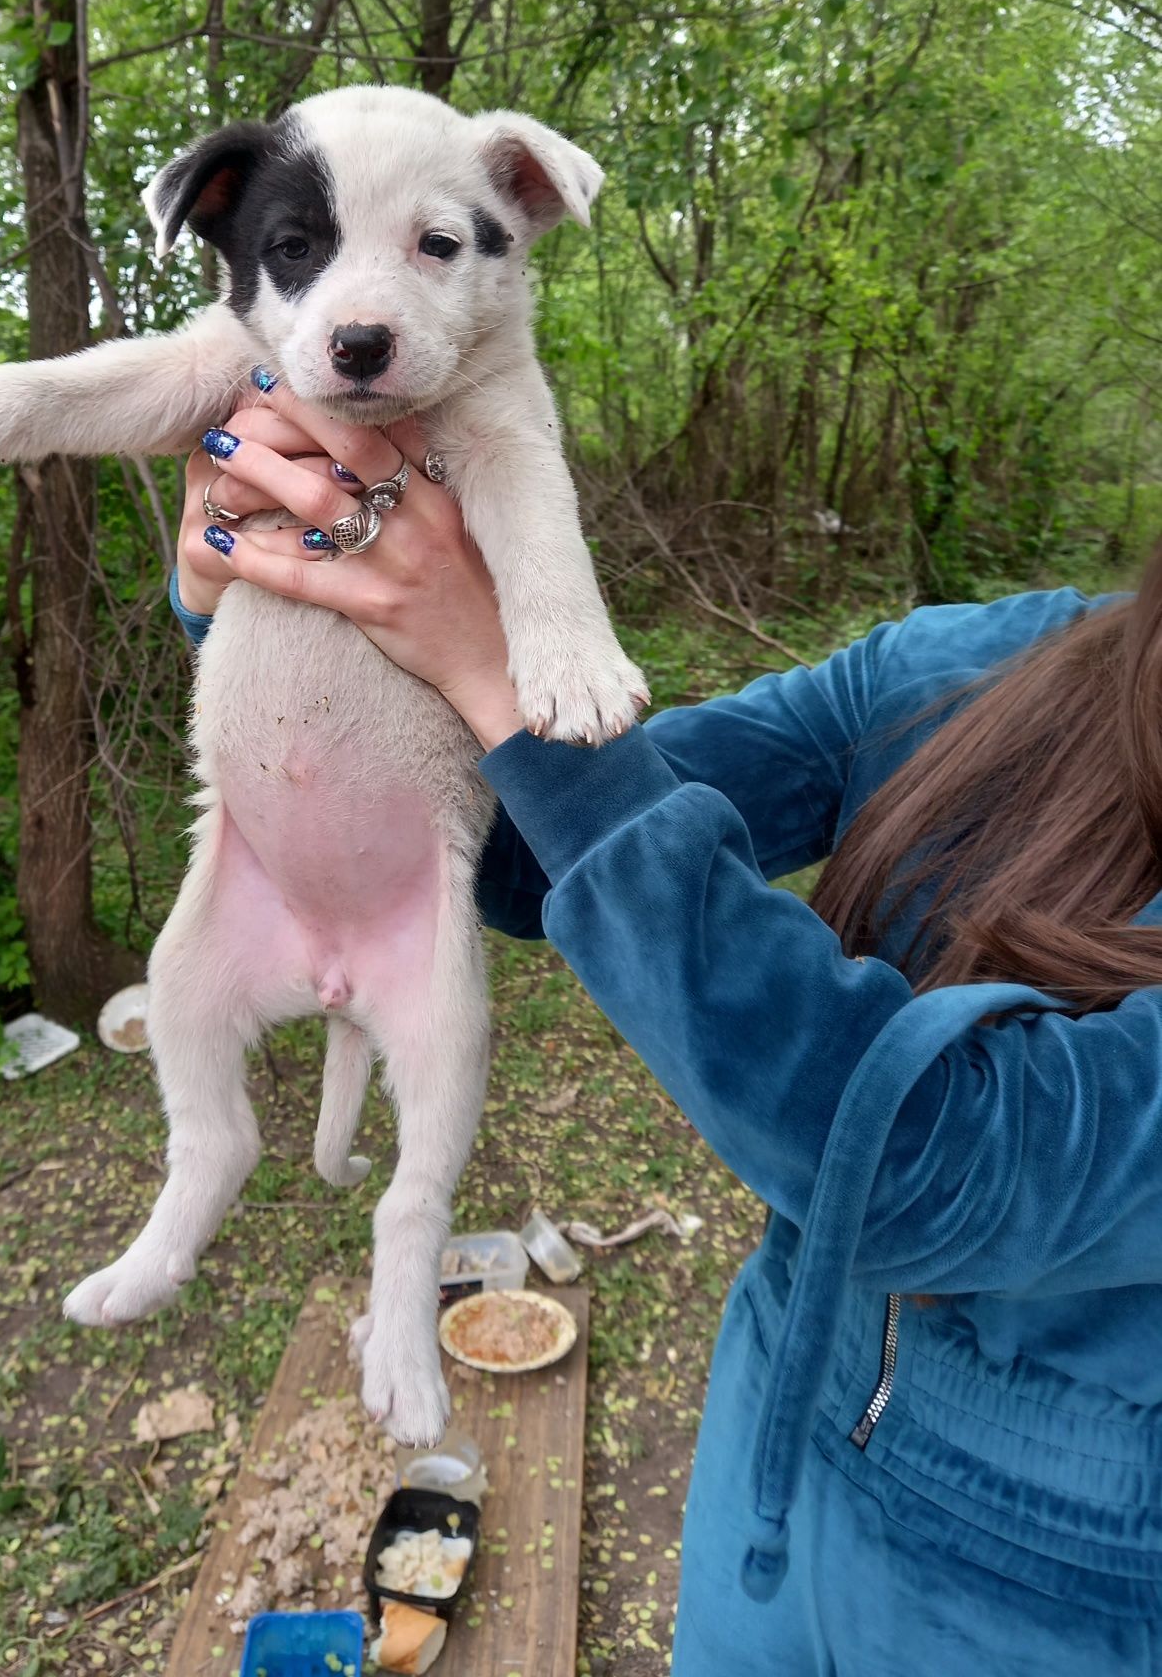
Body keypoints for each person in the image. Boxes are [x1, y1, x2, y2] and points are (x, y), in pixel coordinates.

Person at [167, 380, 1162, 1675]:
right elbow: (526, 845)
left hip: (1075, 1592)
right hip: (779, 1414)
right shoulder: (985, 664)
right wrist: (294, 617)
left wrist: (490, 664)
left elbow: (938, 1167)